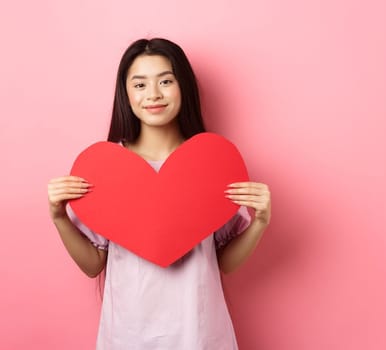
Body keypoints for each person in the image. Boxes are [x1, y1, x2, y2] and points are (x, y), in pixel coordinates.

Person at [46, 38, 271, 349]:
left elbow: (224, 263)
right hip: (128, 334)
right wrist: (59, 217)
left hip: (200, 333)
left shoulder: (212, 164)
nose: (153, 94)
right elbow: (94, 264)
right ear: (125, 93)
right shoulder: (105, 170)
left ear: (184, 87)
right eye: (139, 84)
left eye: (166, 81)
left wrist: (259, 222)